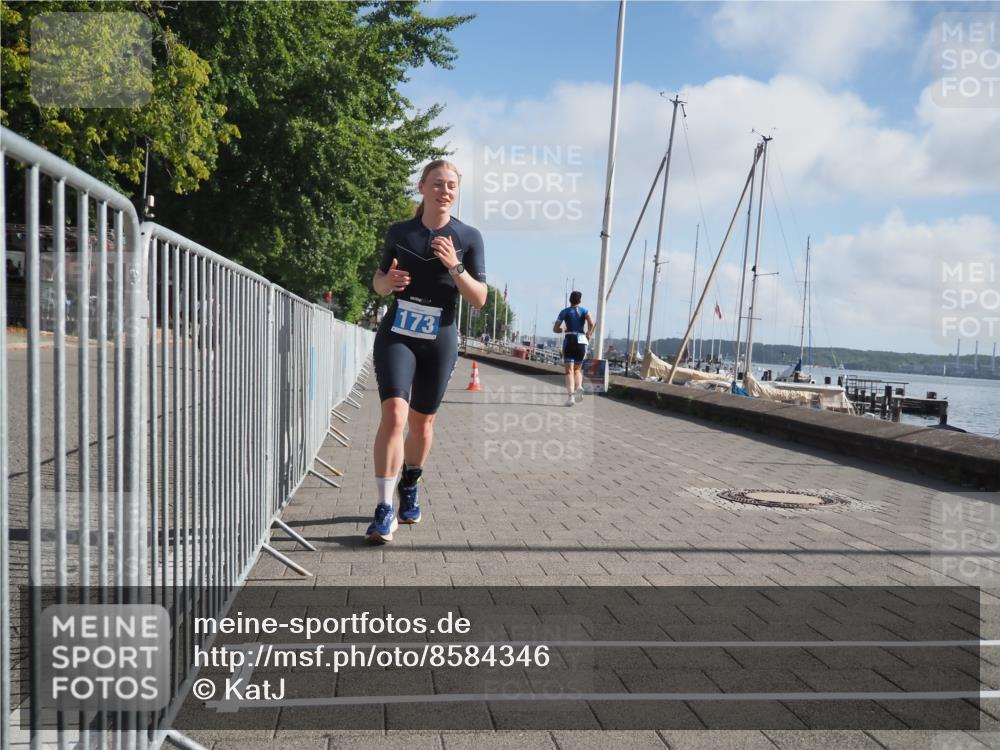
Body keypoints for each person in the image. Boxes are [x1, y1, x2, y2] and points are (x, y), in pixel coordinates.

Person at [366, 160, 487, 543]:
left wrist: (454, 266)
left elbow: (480, 299)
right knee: (396, 415)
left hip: (441, 337)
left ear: (457, 191)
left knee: (422, 424)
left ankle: (410, 482)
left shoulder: (468, 237)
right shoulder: (400, 232)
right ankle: (385, 509)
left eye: (451, 185)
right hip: (398, 332)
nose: (445, 190)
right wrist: (389, 280)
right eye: (437, 183)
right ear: (422, 187)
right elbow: (378, 283)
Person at [553, 291, 595, 406]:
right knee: (577, 369)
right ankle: (579, 386)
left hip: (570, 340)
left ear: (570, 300)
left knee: (569, 371)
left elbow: (555, 328)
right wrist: (588, 334)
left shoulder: (564, 312)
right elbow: (591, 323)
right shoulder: (584, 311)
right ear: (580, 301)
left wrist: (563, 330)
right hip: (581, 341)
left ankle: (571, 397)